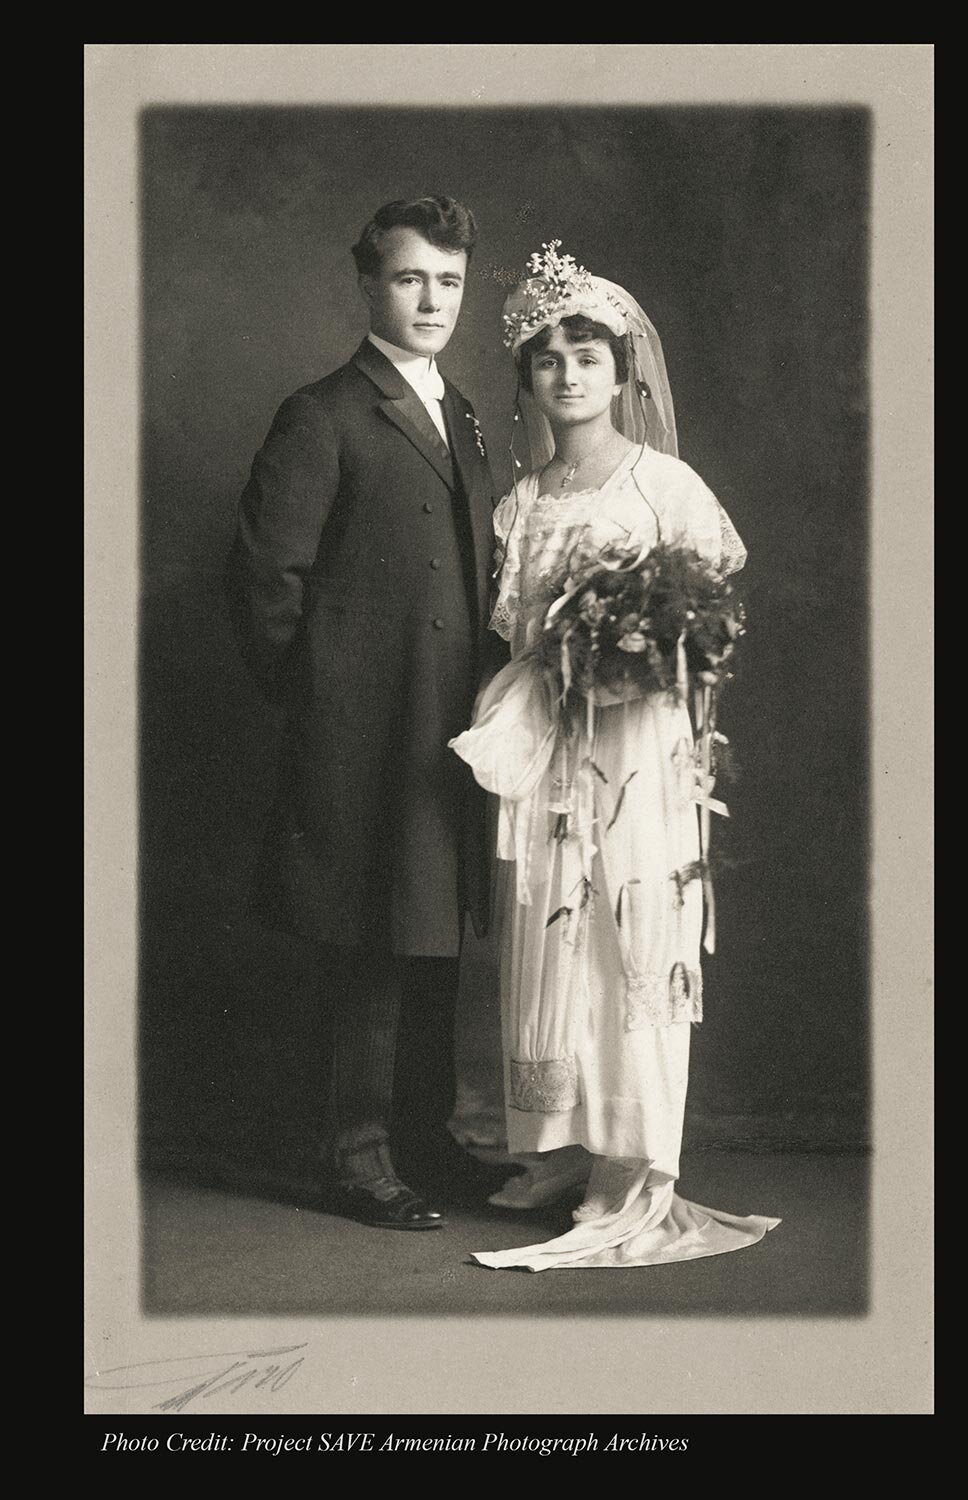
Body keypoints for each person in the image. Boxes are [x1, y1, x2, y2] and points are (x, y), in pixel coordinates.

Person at [451, 243, 781, 1269]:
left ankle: (635, 1166)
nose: (566, 375)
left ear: (622, 371)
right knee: (551, 938)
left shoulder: (663, 487)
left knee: (630, 936)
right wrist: (560, 660)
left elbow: (713, 621)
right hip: (551, 749)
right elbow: (509, 629)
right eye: (546, 360)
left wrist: (636, 663)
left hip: (637, 752)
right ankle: (566, 1143)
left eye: (584, 355)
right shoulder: (521, 503)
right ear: (529, 383)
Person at [225, 196, 505, 1231]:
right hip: (362, 734)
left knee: (433, 935)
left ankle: (426, 1139)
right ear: (367, 283)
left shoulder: (466, 411)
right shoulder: (324, 412)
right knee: (365, 944)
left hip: (450, 732)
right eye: (408, 278)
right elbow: (264, 581)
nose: (431, 300)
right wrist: (328, 703)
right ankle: (358, 1156)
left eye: (448, 281)